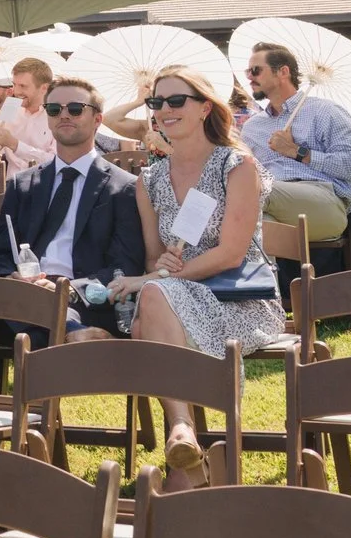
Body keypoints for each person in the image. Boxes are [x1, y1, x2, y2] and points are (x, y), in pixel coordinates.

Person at [108, 67, 288, 490]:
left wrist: (160, 278)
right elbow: (154, 256)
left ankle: (183, 443)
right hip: (171, 296)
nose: (164, 111)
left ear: (205, 107)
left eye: (176, 101)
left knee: (149, 302)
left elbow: (232, 253)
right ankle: (184, 445)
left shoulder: (237, 165)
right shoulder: (149, 179)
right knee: (153, 297)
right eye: (156, 103)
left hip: (237, 299)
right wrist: (164, 267)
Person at [0, 75, 145, 337]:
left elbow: (125, 266)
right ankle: (71, 330)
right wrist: (9, 278)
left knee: (33, 328)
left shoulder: (125, 187)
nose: (64, 115)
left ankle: (64, 325)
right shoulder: (21, 184)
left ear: (97, 119)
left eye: (76, 109)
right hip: (24, 291)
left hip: (83, 298)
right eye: (55, 109)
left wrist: (69, 290)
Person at [241, 42, 351, 245]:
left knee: (250, 189)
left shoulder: (326, 112)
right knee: (258, 227)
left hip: (325, 203)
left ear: (283, 72)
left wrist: (297, 152)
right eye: (248, 71)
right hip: (271, 203)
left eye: (256, 70)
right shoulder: (252, 127)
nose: (249, 77)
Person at [0, 57, 59, 172]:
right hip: (12, 185)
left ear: (44, 88)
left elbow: (56, 161)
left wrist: (15, 144)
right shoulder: (11, 106)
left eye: (23, 86)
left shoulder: (58, 114)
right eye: (14, 85)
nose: (16, 92)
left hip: (46, 185)